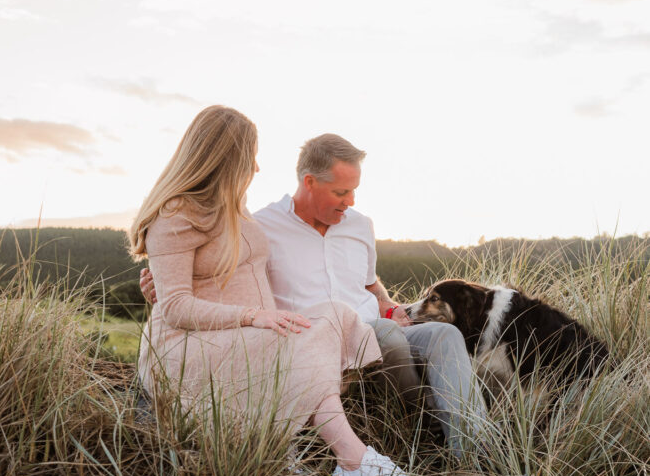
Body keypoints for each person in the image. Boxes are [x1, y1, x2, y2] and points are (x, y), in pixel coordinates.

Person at [129, 105, 439, 476]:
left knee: (334, 315)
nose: (256, 168)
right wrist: (254, 315)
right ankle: (355, 460)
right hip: (191, 344)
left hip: (241, 331)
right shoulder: (175, 214)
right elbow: (175, 307)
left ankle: (345, 458)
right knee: (297, 337)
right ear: (224, 158)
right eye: (249, 157)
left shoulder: (234, 206)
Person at [142, 131, 488, 457]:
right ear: (310, 182)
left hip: (377, 323)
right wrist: (162, 281)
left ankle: (475, 452)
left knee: (443, 334)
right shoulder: (262, 227)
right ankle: (421, 424)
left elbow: (370, 283)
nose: (350, 201)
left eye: (354, 191)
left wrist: (389, 305)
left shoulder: (360, 224)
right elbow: (226, 275)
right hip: (319, 335)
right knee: (386, 337)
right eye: (340, 192)